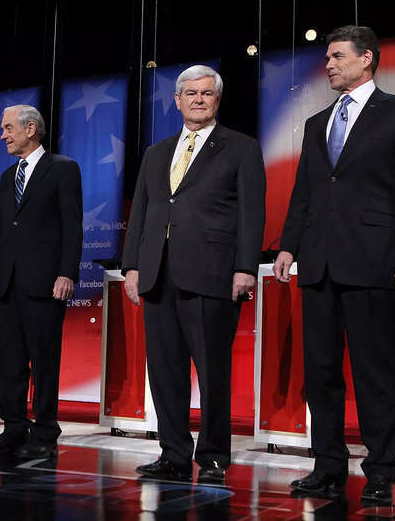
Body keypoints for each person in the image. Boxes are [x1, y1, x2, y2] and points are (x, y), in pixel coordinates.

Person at [273, 25, 395, 504]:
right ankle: (328, 466)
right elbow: (305, 192)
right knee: (320, 372)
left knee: (375, 371)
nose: (330, 65)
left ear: (367, 60)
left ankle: (381, 470)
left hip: (374, 259)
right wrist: (288, 246)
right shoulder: (317, 123)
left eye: (338, 56)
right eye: (328, 57)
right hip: (318, 264)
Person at [122, 65, 266, 482]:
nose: (198, 99)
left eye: (207, 94)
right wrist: (132, 266)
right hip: (157, 274)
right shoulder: (157, 151)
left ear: (217, 100)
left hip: (212, 273)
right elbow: (144, 212)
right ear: (177, 100)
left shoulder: (240, 148)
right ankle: (173, 454)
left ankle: (215, 455)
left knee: (212, 371)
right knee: (165, 371)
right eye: (191, 93)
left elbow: (251, 214)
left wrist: (244, 267)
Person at [0, 105, 83, 459]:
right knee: (10, 360)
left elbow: (72, 225)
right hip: (9, 282)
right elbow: (1, 232)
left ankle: (44, 431)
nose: (3, 135)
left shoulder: (63, 169)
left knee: (43, 360)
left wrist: (67, 272)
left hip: (45, 281)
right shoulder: (8, 176)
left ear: (30, 129)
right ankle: (13, 427)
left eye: (8, 128)